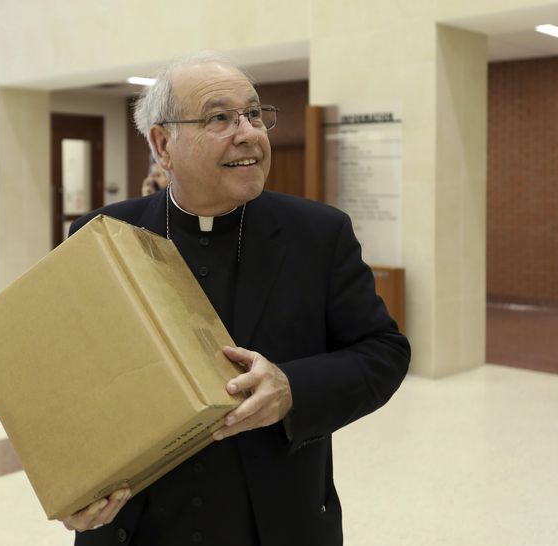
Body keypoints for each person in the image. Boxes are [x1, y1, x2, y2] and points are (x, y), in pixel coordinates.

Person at [63, 53, 411, 546]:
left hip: (274, 521)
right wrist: (73, 486)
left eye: (253, 114)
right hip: (135, 525)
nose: (248, 132)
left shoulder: (318, 234)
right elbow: (72, 379)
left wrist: (293, 387)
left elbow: (384, 351)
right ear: (163, 144)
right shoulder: (101, 235)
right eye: (219, 117)